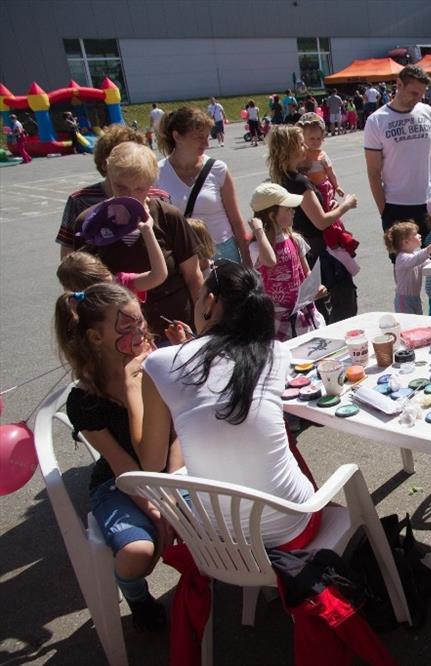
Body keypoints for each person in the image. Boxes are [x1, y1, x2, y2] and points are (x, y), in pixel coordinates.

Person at [138, 261, 316, 548]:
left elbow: (151, 462)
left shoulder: (159, 363)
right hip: (295, 527)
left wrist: (129, 386)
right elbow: (224, 373)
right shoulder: (276, 352)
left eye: (199, 298)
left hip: (222, 546)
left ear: (210, 301)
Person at [56, 283, 177, 632]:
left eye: (141, 322)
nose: (140, 334)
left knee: (214, 524)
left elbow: (178, 434)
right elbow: (125, 466)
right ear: (95, 337)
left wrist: (171, 494)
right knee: (137, 553)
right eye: (127, 327)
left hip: (173, 471)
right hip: (118, 483)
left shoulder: (157, 364)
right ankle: (137, 597)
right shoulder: (84, 400)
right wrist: (156, 512)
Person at [77, 142, 203, 338]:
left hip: (174, 329)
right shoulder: (90, 223)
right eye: (121, 187)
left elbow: (193, 276)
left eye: (139, 189)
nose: (130, 196)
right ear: (109, 176)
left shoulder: (168, 216)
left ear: (151, 184)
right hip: (119, 335)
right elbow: (79, 283)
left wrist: (203, 326)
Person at [266, 125, 359, 323]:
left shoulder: (279, 179)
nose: (305, 147)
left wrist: (328, 206)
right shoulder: (299, 182)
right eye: (301, 144)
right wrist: (347, 205)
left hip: (301, 247)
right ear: (290, 150)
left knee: (317, 305)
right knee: (343, 303)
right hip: (316, 250)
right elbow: (320, 221)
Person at [364, 65, 431, 254]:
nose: (418, 99)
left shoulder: (428, 112)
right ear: (399, 85)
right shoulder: (376, 121)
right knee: (405, 266)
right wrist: (385, 212)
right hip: (397, 207)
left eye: (422, 94)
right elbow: (373, 172)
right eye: (414, 93)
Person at [56, 125, 171, 257]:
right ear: (106, 164)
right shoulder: (80, 200)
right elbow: (68, 254)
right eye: (120, 157)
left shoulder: (160, 198)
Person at [155, 107, 251, 265]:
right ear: (177, 136)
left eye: (207, 136)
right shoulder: (158, 173)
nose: (206, 143)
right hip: (183, 256)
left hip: (223, 251)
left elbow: (236, 220)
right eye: (199, 137)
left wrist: (247, 259)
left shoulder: (218, 169)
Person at [248, 183, 326, 341]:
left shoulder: (294, 239)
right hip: (278, 318)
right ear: (272, 215)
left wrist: (316, 287)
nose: (293, 211)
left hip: (303, 311)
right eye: (288, 209)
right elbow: (270, 261)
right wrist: (259, 231)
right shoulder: (257, 247)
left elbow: (306, 272)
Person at [58, 219, 167, 300]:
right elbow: (158, 276)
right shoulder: (120, 284)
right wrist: (147, 231)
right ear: (101, 266)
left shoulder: (75, 305)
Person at [384, 221, 431, 314]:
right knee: (408, 321)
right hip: (404, 300)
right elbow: (417, 259)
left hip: (415, 298)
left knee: (417, 321)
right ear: (406, 242)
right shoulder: (402, 258)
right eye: (415, 234)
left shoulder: (414, 255)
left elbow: (428, 263)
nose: (419, 235)